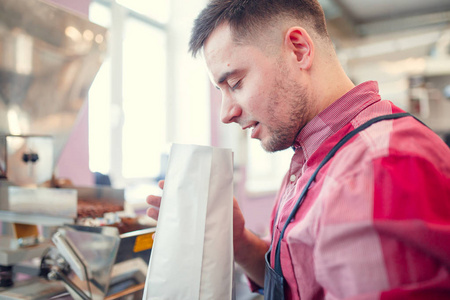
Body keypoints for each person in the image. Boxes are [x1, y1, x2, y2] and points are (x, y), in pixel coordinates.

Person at [146, 0, 450, 299]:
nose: (226, 113)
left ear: (299, 50)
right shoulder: (312, 154)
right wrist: (239, 242)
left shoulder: (376, 167)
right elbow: (300, 284)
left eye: (236, 83)